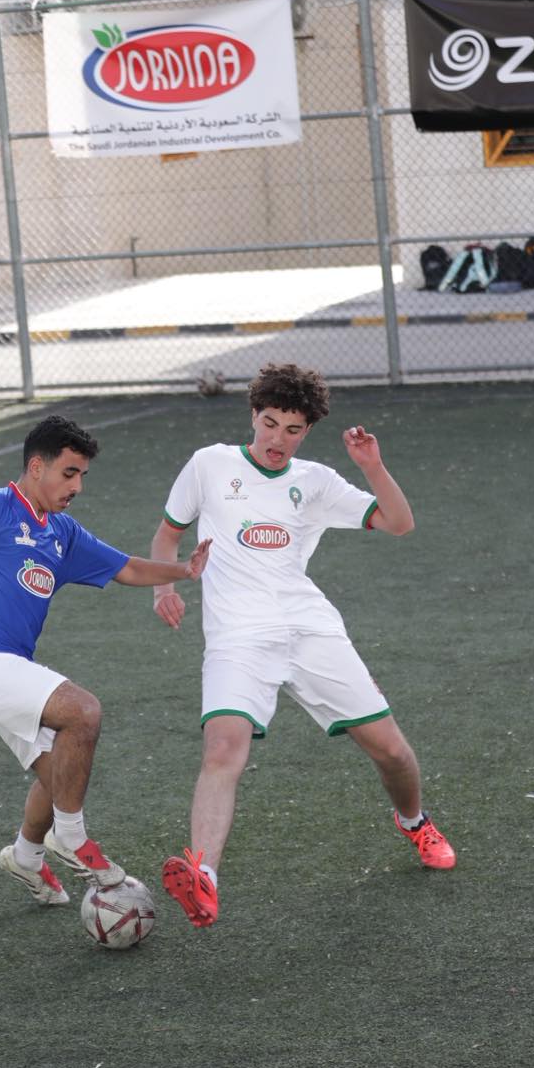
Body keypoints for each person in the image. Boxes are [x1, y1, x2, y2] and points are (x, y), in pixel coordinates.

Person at [148, 362, 455, 931]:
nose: (277, 439)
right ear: (253, 416)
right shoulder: (209, 464)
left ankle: (415, 822)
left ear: (307, 431)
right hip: (238, 637)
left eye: (292, 430)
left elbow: (399, 522)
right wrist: (164, 586)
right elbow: (169, 533)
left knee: (391, 752)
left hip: (310, 629)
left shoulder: (316, 481)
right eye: (270, 424)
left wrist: (372, 466)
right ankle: (203, 876)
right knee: (222, 749)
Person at [0, 414, 211, 909]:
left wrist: (184, 570)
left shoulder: (62, 532)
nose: (77, 486)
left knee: (61, 773)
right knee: (83, 711)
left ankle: (26, 857)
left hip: (11, 667)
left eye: (82, 476)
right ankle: (71, 838)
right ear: (36, 467)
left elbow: (126, 568)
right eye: (69, 473)